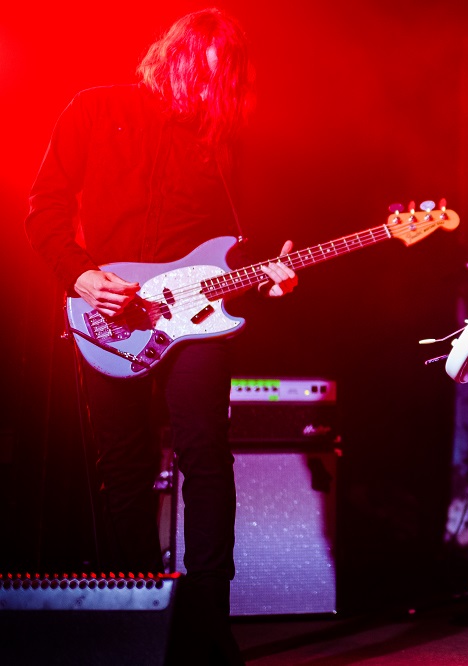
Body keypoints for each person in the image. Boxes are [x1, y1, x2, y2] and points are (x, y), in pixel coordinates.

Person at [24, 9, 296, 664]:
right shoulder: (94, 109)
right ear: (175, 59)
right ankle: (140, 610)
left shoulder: (223, 143)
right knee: (123, 464)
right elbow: (44, 209)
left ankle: (206, 621)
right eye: (206, 75)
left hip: (196, 318)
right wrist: (83, 276)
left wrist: (276, 275)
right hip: (108, 315)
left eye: (225, 83)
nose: (213, 93)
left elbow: (245, 243)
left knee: (205, 453)